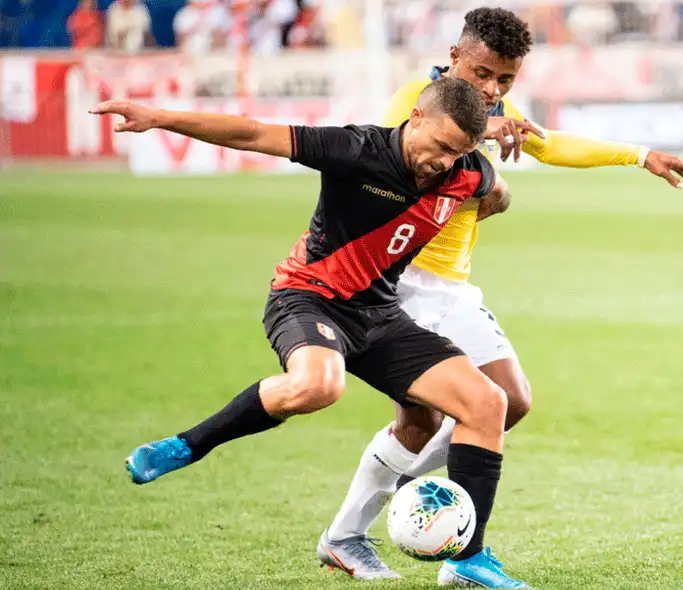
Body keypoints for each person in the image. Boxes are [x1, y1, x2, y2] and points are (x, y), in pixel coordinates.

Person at [89, 76, 531, 589]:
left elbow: (495, 191)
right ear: (415, 118)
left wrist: (485, 186)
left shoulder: (467, 172)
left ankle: (468, 558)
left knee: (489, 403)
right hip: (307, 296)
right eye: (439, 146)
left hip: (380, 313)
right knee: (319, 385)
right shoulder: (356, 149)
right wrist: (160, 117)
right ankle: (187, 445)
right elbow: (254, 134)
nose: (444, 162)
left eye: (458, 153)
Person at [322, 6, 683, 583]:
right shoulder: (415, 101)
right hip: (393, 287)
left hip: (452, 288)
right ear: (454, 58)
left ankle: (443, 528)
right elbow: (406, 165)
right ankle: (350, 537)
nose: (492, 89)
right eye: (482, 74)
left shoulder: (496, 110)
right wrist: (485, 142)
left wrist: (639, 155)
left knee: (511, 401)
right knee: (421, 421)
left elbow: (549, 144)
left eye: (505, 81)